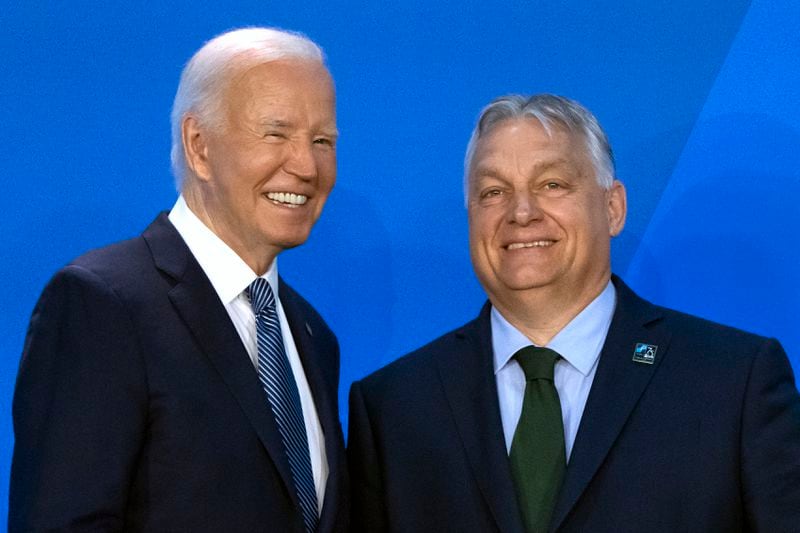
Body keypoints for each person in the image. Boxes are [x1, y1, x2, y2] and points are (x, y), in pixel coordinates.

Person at [347, 94, 800, 532]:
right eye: (493, 192)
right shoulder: (394, 407)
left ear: (613, 207)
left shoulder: (732, 382)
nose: (521, 212)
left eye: (552, 185)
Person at [10, 27, 348, 532]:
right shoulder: (103, 305)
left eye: (322, 141)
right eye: (276, 133)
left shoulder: (313, 336)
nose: (306, 165)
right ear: (199, 146)